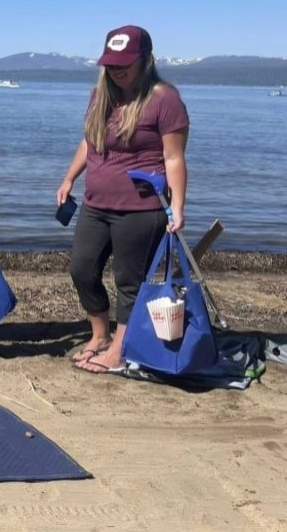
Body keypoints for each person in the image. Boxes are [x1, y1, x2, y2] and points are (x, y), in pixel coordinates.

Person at [57, 25, 189, 374]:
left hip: (141, 209)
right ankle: (99, 335)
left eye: (125, 63)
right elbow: (89, 142)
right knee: (81, 269)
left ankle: (119, 348)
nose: (117, 70)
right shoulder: (101, 95)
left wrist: (177, 207)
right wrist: (70, 177)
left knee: (129, 283)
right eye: (111, 63)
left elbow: (174, 157)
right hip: (95, 203)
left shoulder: (164, 99)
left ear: (145, 59)